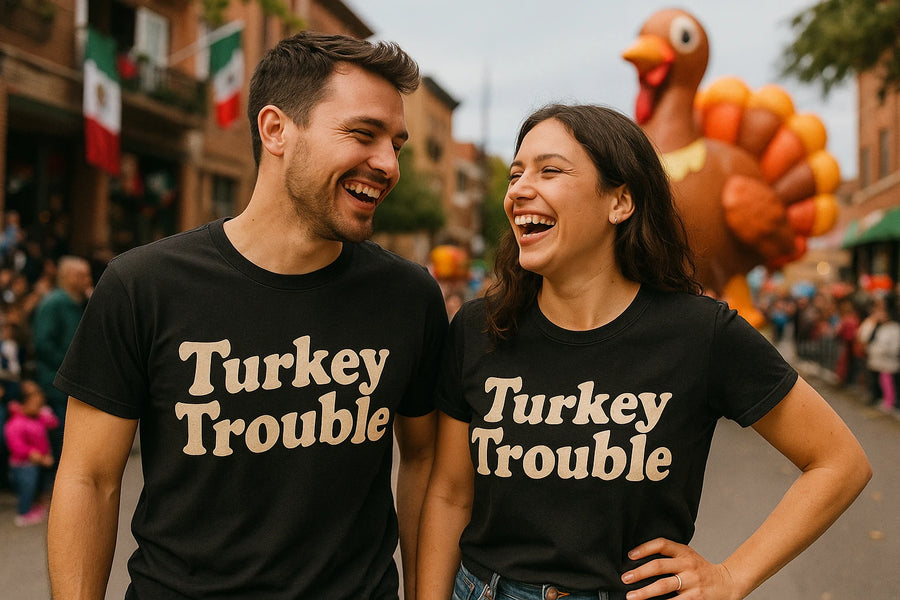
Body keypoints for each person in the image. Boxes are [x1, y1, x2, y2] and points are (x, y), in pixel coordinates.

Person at [47, 32, 447, 599]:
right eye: (363, 134)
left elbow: (425, 460)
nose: (387, 164)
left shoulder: (408, 296)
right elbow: (88, 479)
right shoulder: (143, 286)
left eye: (397, 145)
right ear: (276, 129)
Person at [417, 104, 871, 600]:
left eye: (550, 171)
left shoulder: (701, 333)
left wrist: (732, 575)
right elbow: (450, 495)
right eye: (515, 174)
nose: (519, 190)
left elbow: (839, 462)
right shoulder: (479, 327)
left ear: (620, 202)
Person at [31, 255, 92, 462]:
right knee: (62, 437)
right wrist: (69, 365)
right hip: (57, 380)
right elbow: (43, 343)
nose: (88, 280)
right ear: (69, 277)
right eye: (82, 276)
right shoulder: (54, 303)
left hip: (75, 381)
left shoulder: (79, 303)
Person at [3, 380, 58, 526]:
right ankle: (23, 513)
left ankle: (32, 507)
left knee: (35, 486)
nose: (39, 407)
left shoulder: (38, 418)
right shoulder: (16, 422)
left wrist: (46, 414)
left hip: (36, 463)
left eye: (41, 405)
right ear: (23, 403)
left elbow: (54, 424)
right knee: (26, 489)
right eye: (36, 404)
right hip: (22, 464)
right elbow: (16, 446)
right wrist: (35, 454)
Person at [857, 297, 900, 413]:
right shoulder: (876, 326)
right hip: (876, 361)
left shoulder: (894, 328)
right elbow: (865, 337)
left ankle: (889, 402)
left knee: (888, 383)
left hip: (888, 362)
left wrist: (880, 349)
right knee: (877, 381)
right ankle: (879, 399)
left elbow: (894, 346)